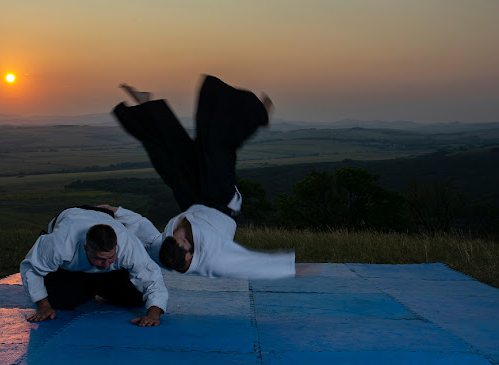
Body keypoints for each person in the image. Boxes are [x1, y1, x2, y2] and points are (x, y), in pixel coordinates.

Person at [108, 75, 295, 279]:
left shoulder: (163, 249)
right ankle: (258, 115)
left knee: (169, 157)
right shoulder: (214, 258)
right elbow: (248, 265)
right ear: (189, 257)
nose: (178, 234)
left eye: (173, 237)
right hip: (220, 203)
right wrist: (289, 269)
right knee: (214, 145)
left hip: (192, 202)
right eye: (183, 240)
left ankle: (146, 104)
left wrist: (116, 212)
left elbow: (142, 230)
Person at [20, 205, 168, 326]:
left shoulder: (128, 244)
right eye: (99, 259)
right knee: (61, 302)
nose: (105, 264)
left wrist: (153, 315)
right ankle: (90, 286)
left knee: (136, 298)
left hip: (102, 216)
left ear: (116, 247)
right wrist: (44, 307)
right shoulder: (60, 243)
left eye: (110, 257)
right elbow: (31, 268)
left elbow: (152, 278)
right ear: (86, 248)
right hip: (72, 215)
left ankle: (97, 285)